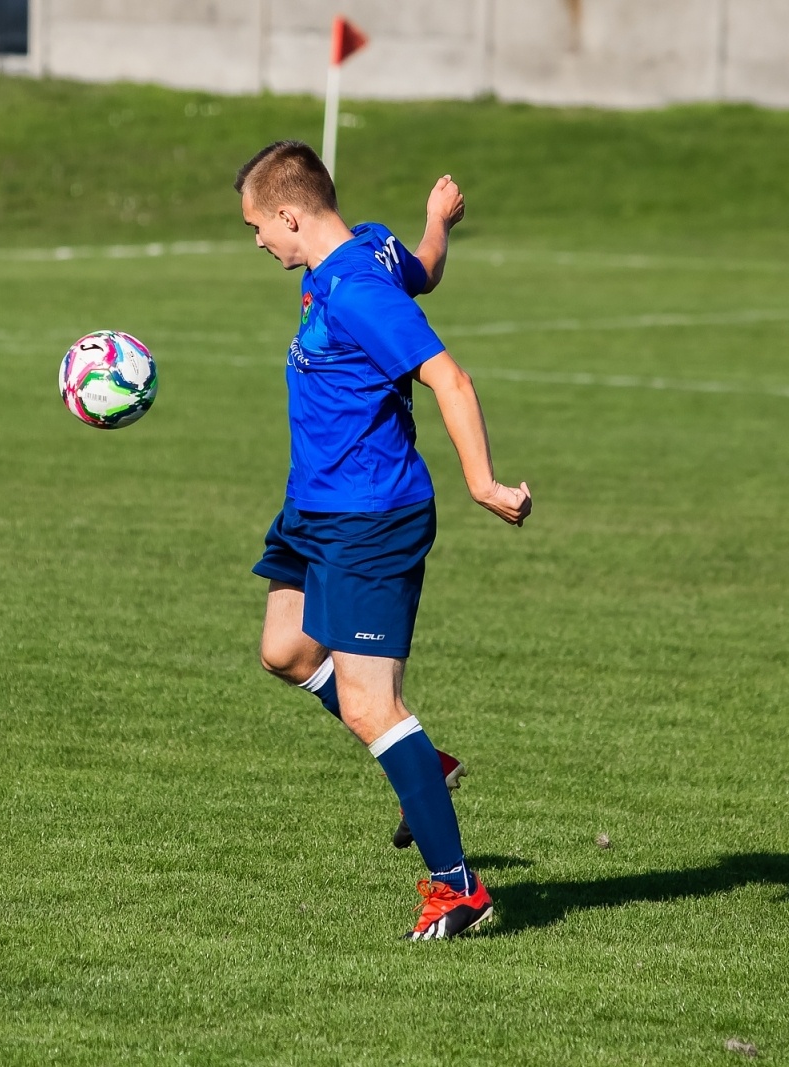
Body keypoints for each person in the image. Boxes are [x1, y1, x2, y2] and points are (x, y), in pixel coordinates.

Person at [235, 140, 532, 940]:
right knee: (287, 648)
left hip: (369, 517)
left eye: (260, 226)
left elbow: (448, 377)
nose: (259, 241)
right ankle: (423, 766)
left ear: (291, 215)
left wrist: (482, 481)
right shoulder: (369, 244)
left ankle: (460, 889)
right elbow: (423, 268)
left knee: (373, 703)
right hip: (315, 506)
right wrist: (437, 223)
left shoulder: (356, 288)